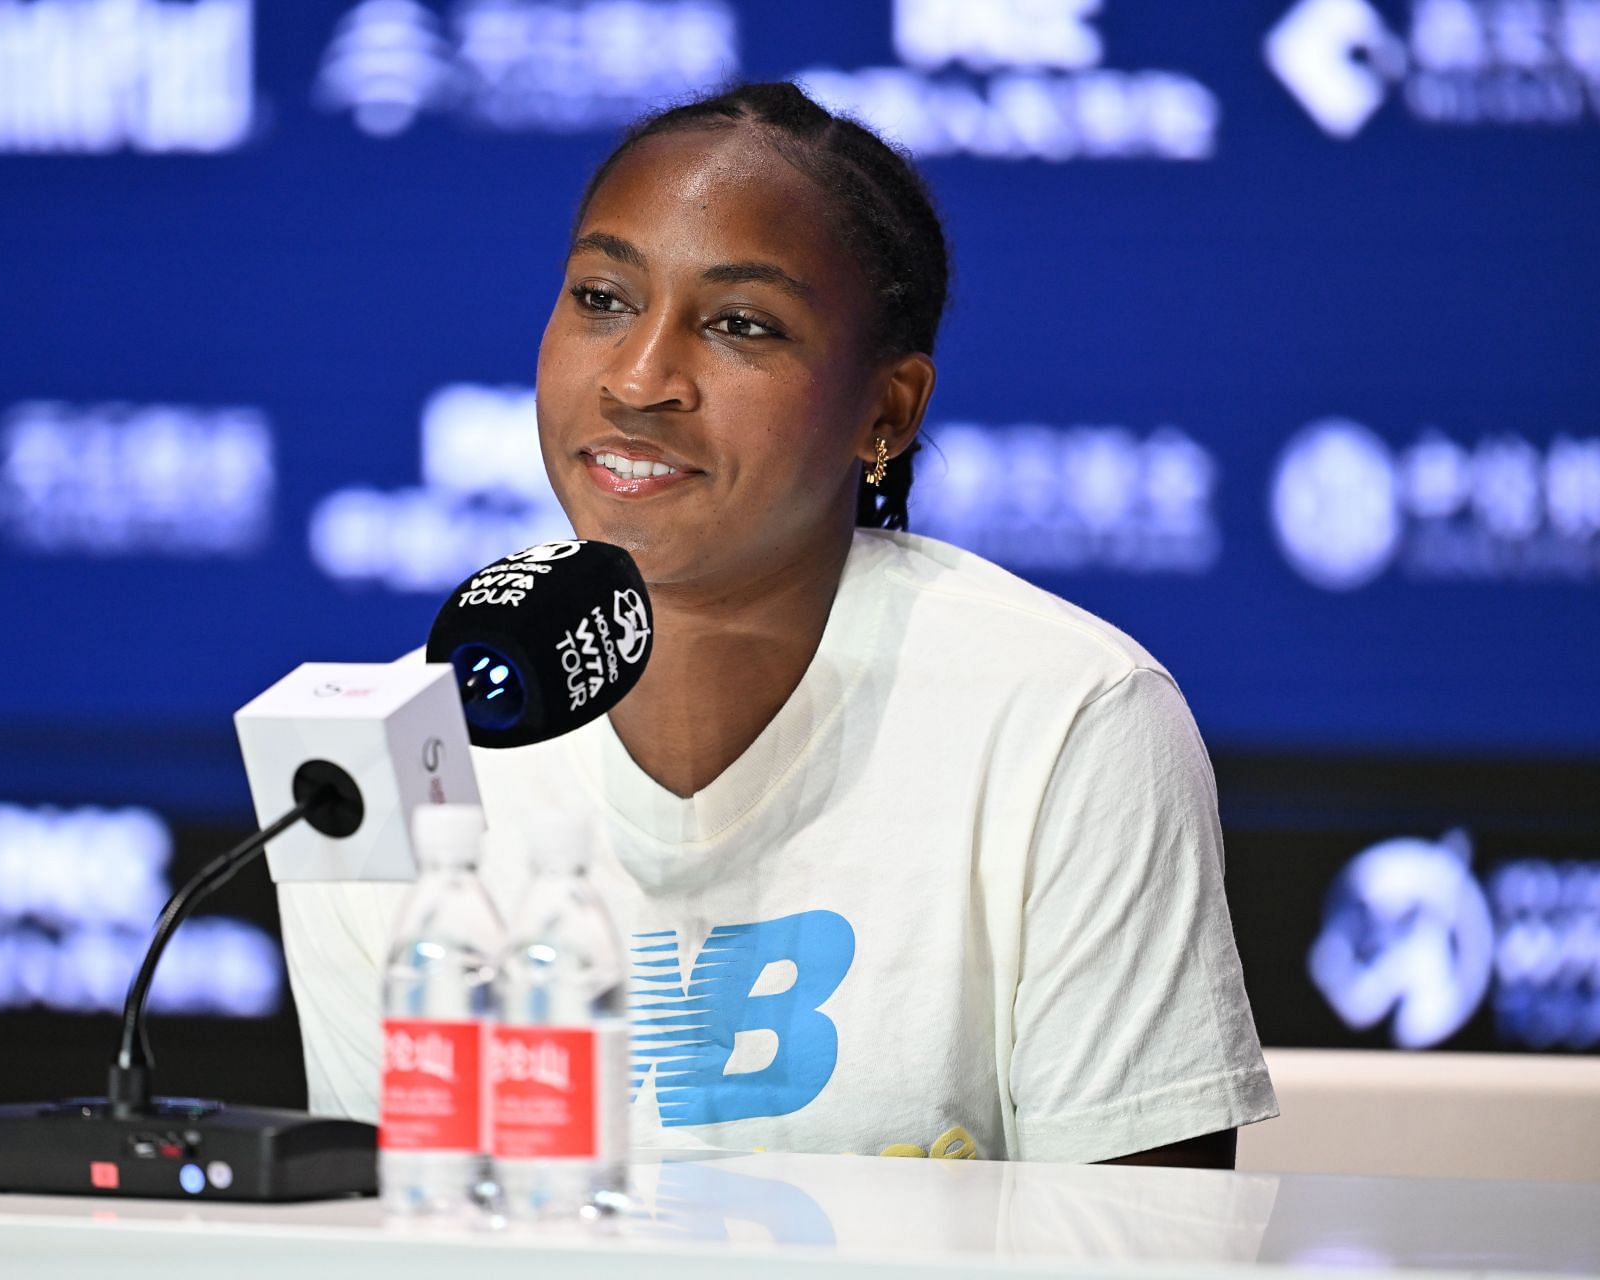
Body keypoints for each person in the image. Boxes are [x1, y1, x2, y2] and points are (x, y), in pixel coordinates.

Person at [281, 82, 1276, 1168]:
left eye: (740, 324)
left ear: (886, 411)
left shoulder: (1071, 721)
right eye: (603, 297)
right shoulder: (372, 758)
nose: (640, 376)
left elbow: (1135, 1247)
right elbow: (386, 1238)